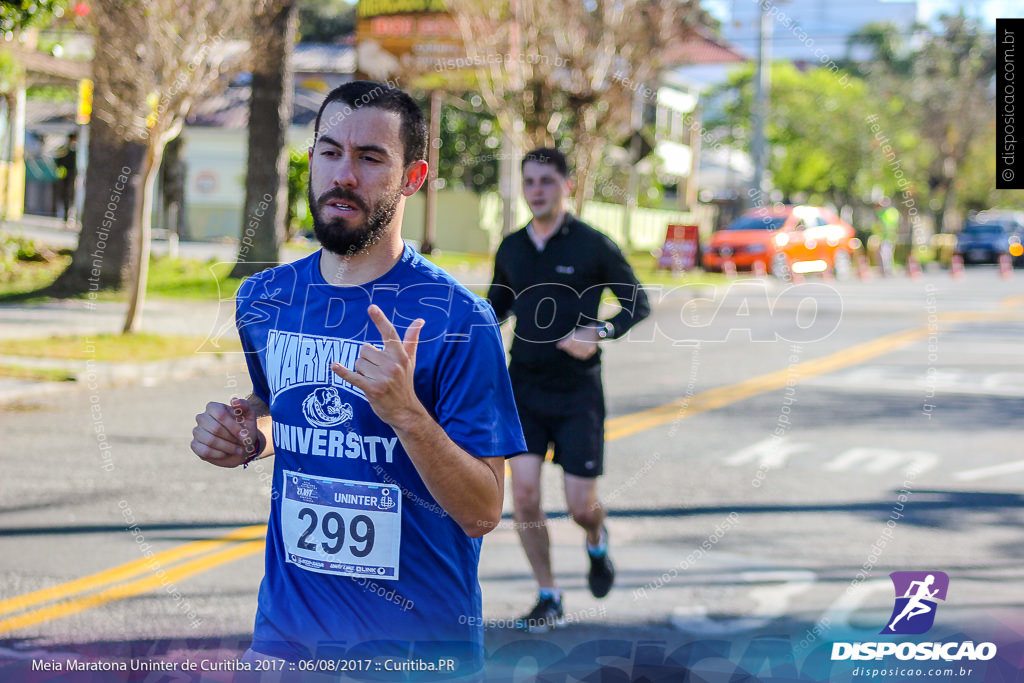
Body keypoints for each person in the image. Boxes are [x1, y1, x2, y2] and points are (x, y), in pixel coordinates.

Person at [189, 81, 526, 676]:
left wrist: (407, 414)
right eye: (329, 151)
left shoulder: (459, 319)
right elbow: (278, 410)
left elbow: (482, 511)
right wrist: (245, 437)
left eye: (371, 158)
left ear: (413, 178)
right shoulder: (266, 298)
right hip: (286, 638)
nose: (344, 174)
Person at [487, 148, 651, 632]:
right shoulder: (512, 247)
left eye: (546, 181)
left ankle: (596, 541)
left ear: (566, 186)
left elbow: (636, 304)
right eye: (530, 181)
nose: (537, 190)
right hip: (525, 388)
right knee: (527, 496)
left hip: (578, 392)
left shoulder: (593, 244)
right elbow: (494, 308)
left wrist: (597, 332)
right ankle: (548, 593)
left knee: (581, 506)